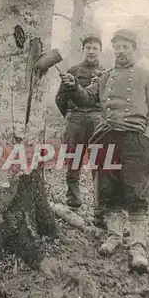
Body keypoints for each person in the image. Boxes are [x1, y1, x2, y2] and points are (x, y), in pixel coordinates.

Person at [59, 29, 149, 273]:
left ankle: (138, 247)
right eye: (117, 47)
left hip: (136, 140)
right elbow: (86, 99)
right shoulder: (105, 77)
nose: (120, 52)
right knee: (109, 190)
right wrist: (74, 85)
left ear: (134, 50)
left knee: (136, 193)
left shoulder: (146, 77)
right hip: (106, 139)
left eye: (125, 47)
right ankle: (114, 236)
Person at [55, 34, 103, 213]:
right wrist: (70, 116)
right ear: (83, 50)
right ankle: (73, 203)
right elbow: (60, 98)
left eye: (95, 48)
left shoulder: (106, 72)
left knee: (99, 162)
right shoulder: (73, 71)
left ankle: (100, 206)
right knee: (73, 162)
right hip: (75, 120)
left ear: (100, 51)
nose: (91, 51)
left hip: (97, 121)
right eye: (88, 47)